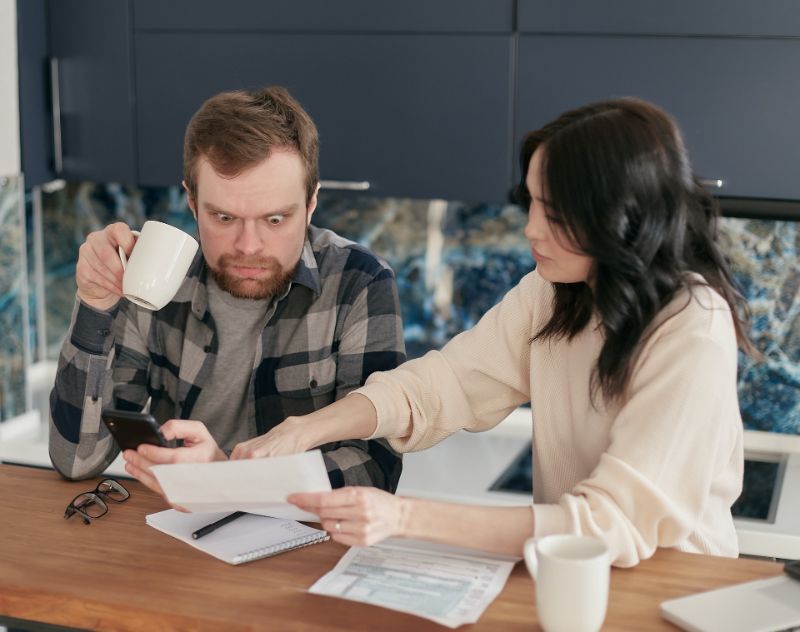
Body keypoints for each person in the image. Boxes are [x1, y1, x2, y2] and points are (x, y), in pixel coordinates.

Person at [126, 97, 751, 567]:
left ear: (621, 218)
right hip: (572, 578)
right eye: (529, 203)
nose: (531, 230)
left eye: (554, 214)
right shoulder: (556, 294)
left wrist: (401, 516)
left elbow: (609, 524)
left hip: (671, 591)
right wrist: (306, 429)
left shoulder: (690, 328)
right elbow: (439, 386)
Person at [49, 86, 406, 492]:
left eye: (274, 220)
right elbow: (76, 460)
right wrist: (95, 307)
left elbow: (374, 474)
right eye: (223, 217)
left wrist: (231, 480)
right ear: (191, 200)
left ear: (310, 203)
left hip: (306, 542)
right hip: (177, 533)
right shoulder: (157, 277)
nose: (248, 246)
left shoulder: (359, 282)